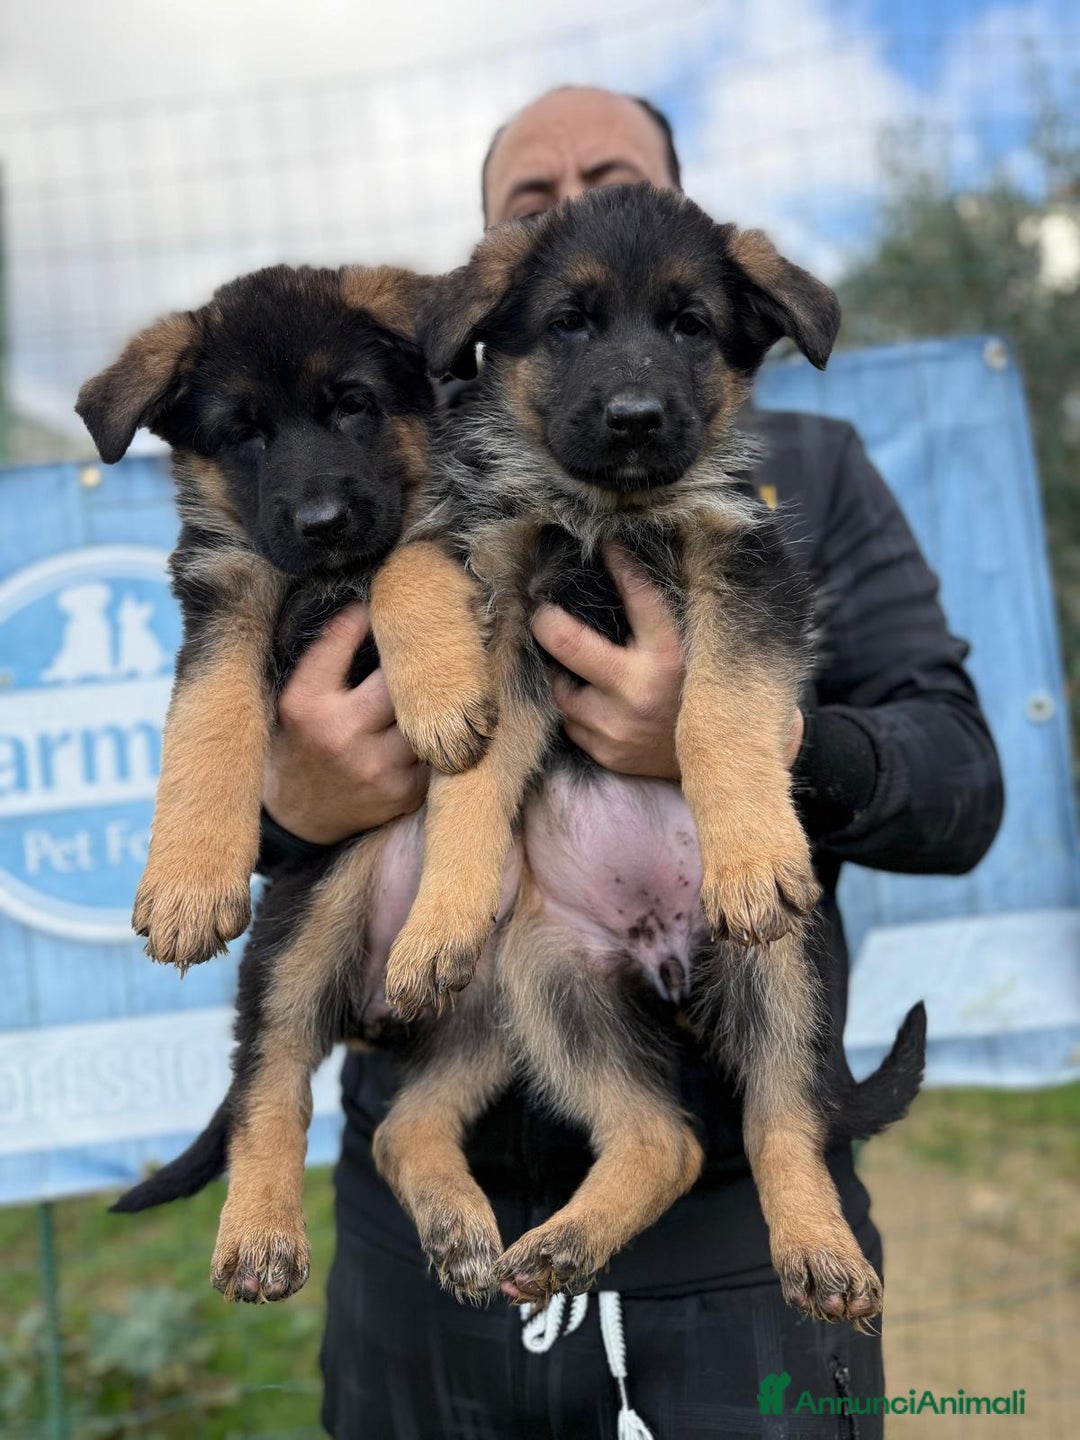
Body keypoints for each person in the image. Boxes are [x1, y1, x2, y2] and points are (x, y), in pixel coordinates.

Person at [258, 87, 1004, 1440]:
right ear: (483, 311)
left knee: (766, 951)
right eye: (539, 232)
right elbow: (313, 711)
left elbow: (959, 782)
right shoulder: (409, 486)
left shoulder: (816, 472)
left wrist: (750, 750)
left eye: (680, 321)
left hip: (730, 1265)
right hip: (426, 1242)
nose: (636, 381)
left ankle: (790, 1157)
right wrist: (286, 803)